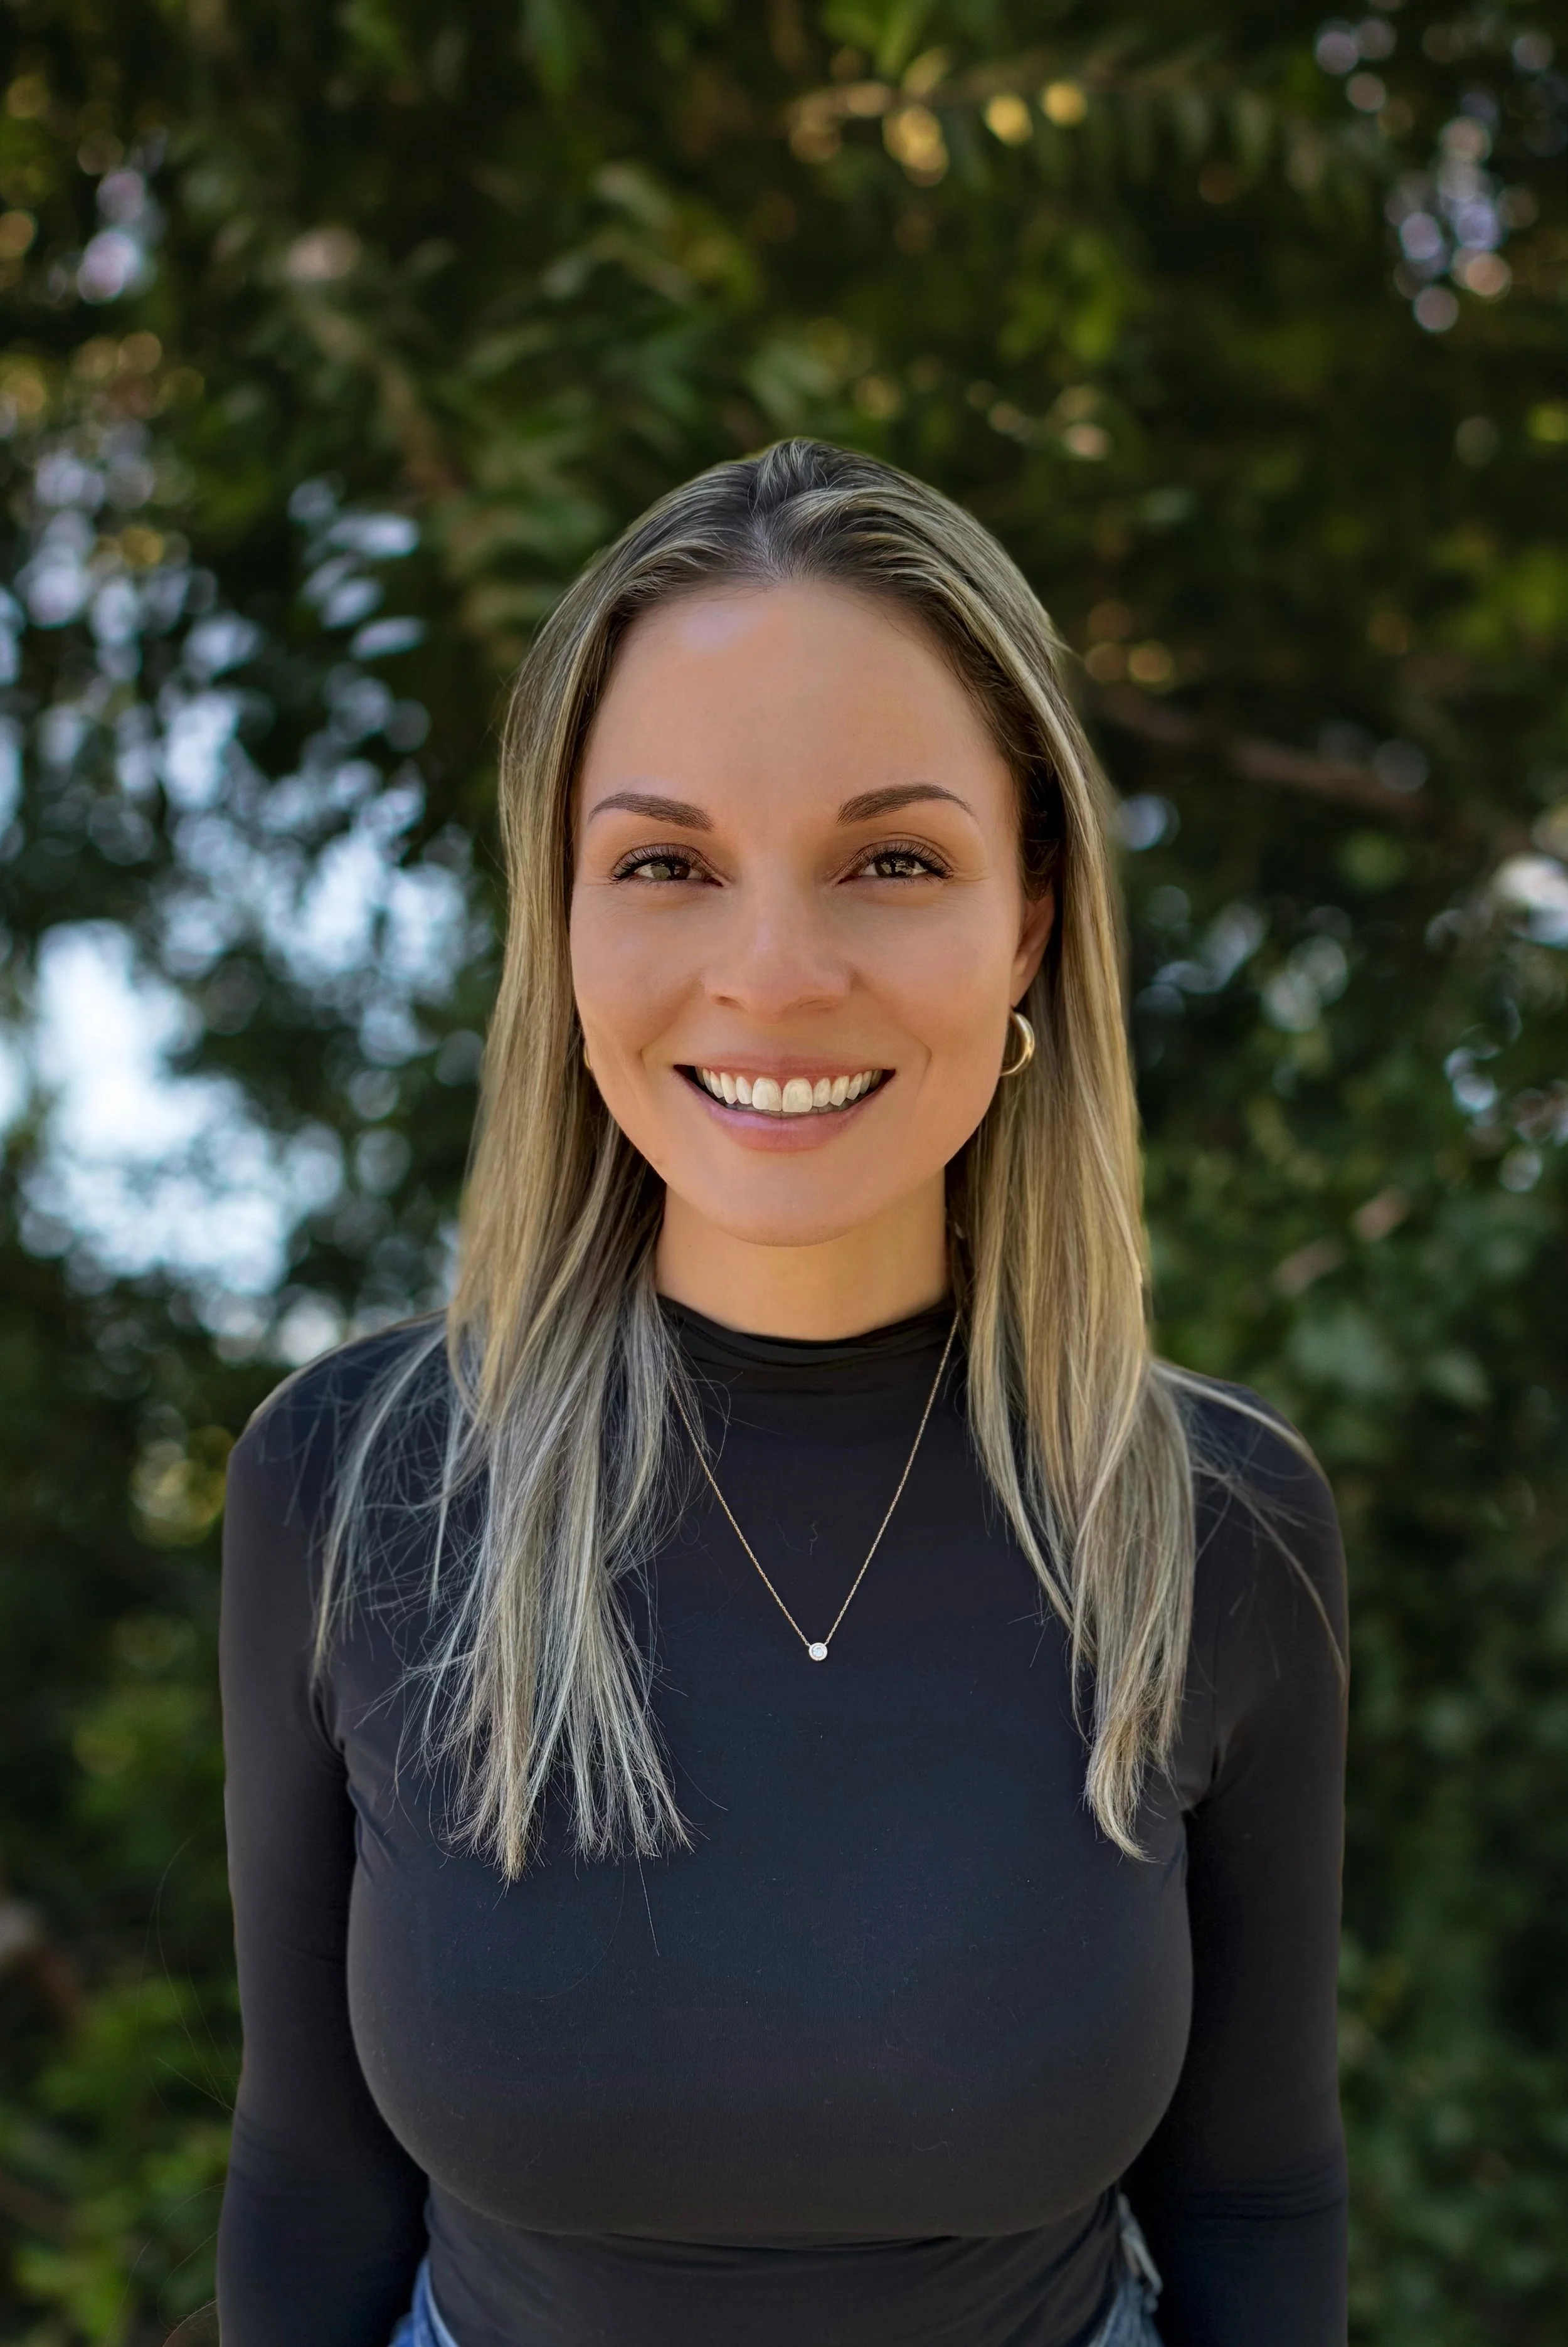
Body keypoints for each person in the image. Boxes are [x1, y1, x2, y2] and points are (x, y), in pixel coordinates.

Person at [216, 440, 1348, 2347]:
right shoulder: (353, 1483)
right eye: (665, 862)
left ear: (1031, 917)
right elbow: (309, 2179)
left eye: (889, 860)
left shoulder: (1213, 1519)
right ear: (562, 922)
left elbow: (1255, 2196)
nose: (772, 972)